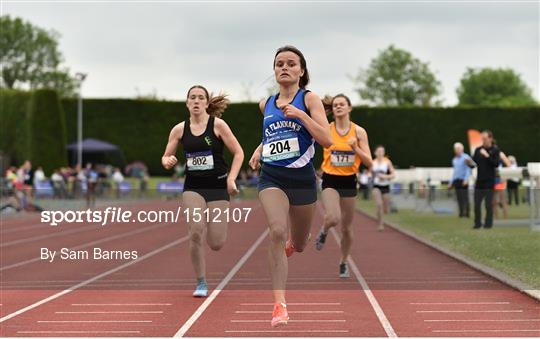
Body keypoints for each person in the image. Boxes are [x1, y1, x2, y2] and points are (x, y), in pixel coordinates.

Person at [248, 46, 331, 327]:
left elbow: (327, 139)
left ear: (301, 71)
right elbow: (273, 133)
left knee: (300, 243)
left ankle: (294, 245)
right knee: (276, 230)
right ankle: (279, 305)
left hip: (303, 180)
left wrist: (302, 116)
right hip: (272, 176)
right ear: (274, 70)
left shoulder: (310, 99)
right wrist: (260, 148)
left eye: (291, 63)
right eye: (279, 63)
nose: (284, 67)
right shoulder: (266, 104)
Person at [162, 85, 244, 298]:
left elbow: (238, 153)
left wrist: (231, 178)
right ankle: (201, 282)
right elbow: (165, 156)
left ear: (207, 103)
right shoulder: (179, 129)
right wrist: (167, 160)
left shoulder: (218, 125)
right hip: (193, 187)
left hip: (217, 186)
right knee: (196, 230)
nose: (196, 101)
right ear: (187, 103)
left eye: (200, 98)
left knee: (216, 243)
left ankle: (213, 228)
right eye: (192, 98)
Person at [314, 94, 372, 278]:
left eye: (342, 104)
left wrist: (356, 149)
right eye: (336, 105)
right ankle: (323, 231)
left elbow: (370, 163)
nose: (338, 107)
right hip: (330, 179)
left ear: (349, 108)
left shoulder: (359, 132)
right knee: (332, 218)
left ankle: (343, 261)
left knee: (346, 228)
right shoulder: (326, 129)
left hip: (349, 180)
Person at [472, 130, 500, 229]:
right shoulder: (478, 150)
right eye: (482, 139)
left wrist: (487, 156)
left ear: (490, 138)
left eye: (485, 138)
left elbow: (496, 163)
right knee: (476, 204)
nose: (483, 140)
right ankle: (477, 223)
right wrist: (469, 163)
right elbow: (474, 163)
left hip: (489, 181)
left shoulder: (495, 150)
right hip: (479, 181)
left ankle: (488, 224)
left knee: (488, 204)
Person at [371, 146, 395, 231]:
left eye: (382, 151)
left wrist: (384, 176)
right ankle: (380, 224)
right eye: (379, 151)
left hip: (385, 186)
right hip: (376, 186)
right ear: (375, 153)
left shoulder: (387, 162)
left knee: (386, 210)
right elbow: (370, 175)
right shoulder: (372, 163)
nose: (380, 153)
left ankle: (380, 212)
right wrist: (372, 177)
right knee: (379, 204)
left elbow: (393, 175)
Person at [448, 142, 475, 218]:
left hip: (463, 180)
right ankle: (461, 213)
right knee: (459, 197)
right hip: (457, 180)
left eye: (458, 149)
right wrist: (451, 182)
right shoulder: (454, 160)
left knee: (465, 197)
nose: (457, 150)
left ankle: (467, 213)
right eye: (456, 149)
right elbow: (455, 172)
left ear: (461, 149)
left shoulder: (466, 157)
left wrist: (466, 179)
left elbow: (468, 169)